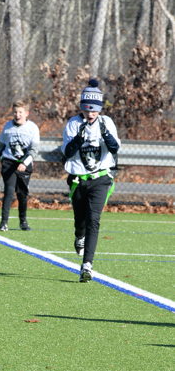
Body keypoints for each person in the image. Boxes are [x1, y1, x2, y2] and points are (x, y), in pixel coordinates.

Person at [62, 78, 120, 282]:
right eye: (87, 109)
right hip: (78, 179)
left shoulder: (106, 122)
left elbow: (114, 149)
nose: (91, 114)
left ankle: (87, 265)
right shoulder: (73, 123)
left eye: (94, 110)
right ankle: (79, 236)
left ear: (100, 109)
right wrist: (79, 138)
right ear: (82, 108)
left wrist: (105, 134)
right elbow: (68, 152)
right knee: (80, 220)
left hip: (100, 178)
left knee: (94, 219)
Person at [0, 100, 40, 231]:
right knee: (9, 191)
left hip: (24, 164)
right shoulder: (7, 126)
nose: (17, 115)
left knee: (22, 194)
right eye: (15, 112)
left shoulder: (32, 128)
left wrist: (25, 163)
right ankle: (4, 222)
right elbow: (0, 145)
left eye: (20, 112)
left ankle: (23, 221)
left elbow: (34, 150)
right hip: (9, 163)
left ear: (26, 113)